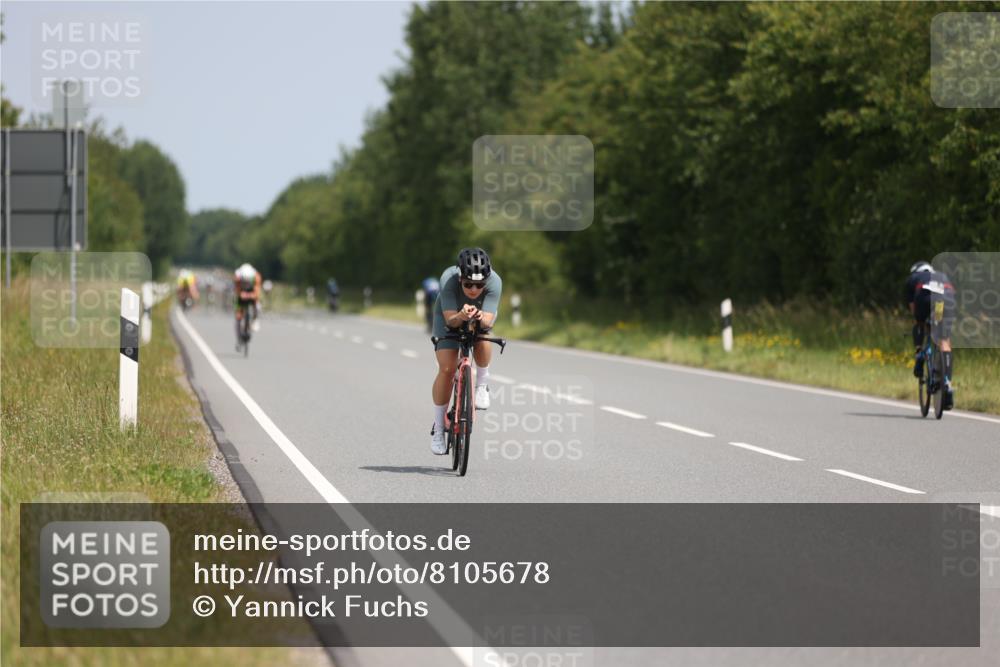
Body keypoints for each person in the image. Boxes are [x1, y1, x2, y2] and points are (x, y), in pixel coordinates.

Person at [429, 248, 502, 454]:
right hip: (448, 315)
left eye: (479, 285)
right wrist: (461, 314)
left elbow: (488, 320)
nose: (473, 289)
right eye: (468, 284)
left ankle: (481, 385)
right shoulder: (448, 279)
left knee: (484, 334)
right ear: (460, 277)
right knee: (446, 369)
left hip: (480, 314)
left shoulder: (495, 282)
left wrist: (478, 316)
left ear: (486, 281)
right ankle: (439, 428)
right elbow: (451, 321)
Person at [904, 261, 955, 410]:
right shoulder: (941, 275)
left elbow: (913, 308)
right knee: (944, 339)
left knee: (920, 324)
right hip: (945, 298)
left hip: (924, 296)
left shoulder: (913, 279)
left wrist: (921, 321)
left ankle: (919, 355)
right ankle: (947, 382)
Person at [233, 262, 262, 350]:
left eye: (247, 281)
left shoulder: (256, 277)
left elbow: (257, 292)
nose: (246, 283)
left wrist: (250, 295)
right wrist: (241, 295)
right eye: (244, 281)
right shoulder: (237, 277)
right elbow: (237, 291)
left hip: (251, 292)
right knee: (238, 317)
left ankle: (255, 319)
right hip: (241, 295)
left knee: (257, 305)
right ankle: (239, 339)